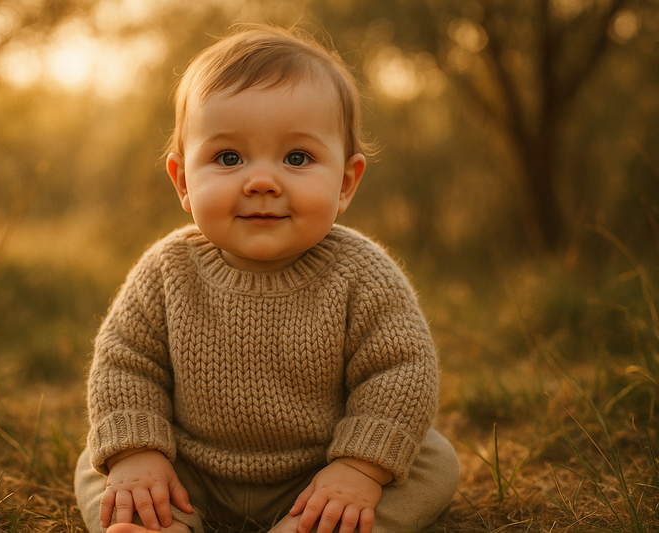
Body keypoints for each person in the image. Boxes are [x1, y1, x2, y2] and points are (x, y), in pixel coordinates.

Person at [74, 24, 460, 533]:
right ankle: (156, 524)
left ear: (345, 182)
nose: (260, 181)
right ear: (183, 182)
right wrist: (139, 453)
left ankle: (317, 523)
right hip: (190, 471)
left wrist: (357, 469)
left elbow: (401, 373)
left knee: (432, 462)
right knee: (100, 461)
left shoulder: (362, 274)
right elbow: (125, 362)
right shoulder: (167, 269)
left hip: (322, 471)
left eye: (297, 158)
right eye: (228, 158)